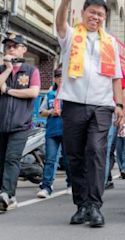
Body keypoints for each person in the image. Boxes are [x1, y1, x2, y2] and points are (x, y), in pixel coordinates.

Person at [56, 0, 124, 227]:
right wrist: (65, 2)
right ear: (83, 13)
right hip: (73, 104)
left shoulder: (111, 44)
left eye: (100, 15)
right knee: (74, 156)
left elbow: (117, 77)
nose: (96, 17)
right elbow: (60, 24)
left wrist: (120, 105)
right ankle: (81, 205)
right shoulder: (72, 35)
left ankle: (94, 205)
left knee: (96, 152)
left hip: (102, 106)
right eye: (92, 13)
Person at [0, 33, 41, 211]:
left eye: (15, 46)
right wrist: (7, 70)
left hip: (20, 125)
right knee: (1, 160)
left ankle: (7, 194)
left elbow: (33, 92)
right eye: (8, 46)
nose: (10, 48)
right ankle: (8, 195)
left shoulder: (31, 71)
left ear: (23, 49)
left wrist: (8, 90)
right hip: (1, 123)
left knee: (12, 159)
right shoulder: (2, 69)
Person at [37, 66, 72, 198]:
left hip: (67, 130)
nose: (60, 79)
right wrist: (51, 112)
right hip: (52, 131)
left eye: (62, 77)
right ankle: (46, 186)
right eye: (58, 77)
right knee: (50, 159)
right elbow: (41, 111)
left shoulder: (71, 94)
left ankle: (71, 184)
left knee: (69, 159)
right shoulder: (50, 94)